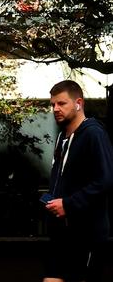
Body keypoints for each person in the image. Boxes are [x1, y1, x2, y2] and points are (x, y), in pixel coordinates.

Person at [43, 80, 113, 282]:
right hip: (61, 236)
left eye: (61, 103)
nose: (55, 109)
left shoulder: (93, 134)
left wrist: (68, 204)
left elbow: (105, 179)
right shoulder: (63, 137)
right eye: (53, 104)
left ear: (78, 103)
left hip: (86, 235)